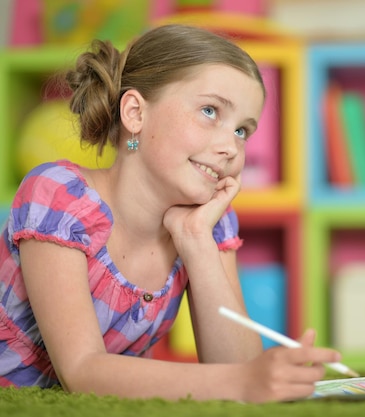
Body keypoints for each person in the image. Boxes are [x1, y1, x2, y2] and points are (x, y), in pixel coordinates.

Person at [0, 24, 341, 403]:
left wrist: (196, 241)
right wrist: (242, 382)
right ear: (135, 113)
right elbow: (81, 369)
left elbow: (238, 368)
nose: (231, 146)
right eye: (210, 111)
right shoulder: (58, 195)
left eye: (243, 131)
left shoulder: (209, 224)